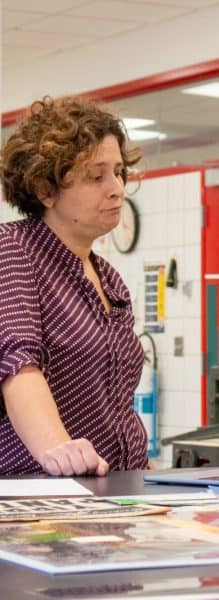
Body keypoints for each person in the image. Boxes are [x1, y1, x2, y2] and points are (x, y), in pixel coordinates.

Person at [0, 96, 150, 476]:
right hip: (41, 496)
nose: (116, 188)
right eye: (96, 176)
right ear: (45, 189)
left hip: (115, 488)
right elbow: (18, 365)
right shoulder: (13, 251)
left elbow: (115, 405)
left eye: (118, 172)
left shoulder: (109, 280)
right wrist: (58, 449)